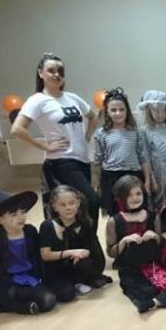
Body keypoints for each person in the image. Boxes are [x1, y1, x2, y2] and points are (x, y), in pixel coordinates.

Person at [11, 53, 100, 230]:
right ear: (41, 73)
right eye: (51, 70)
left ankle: (83, 241)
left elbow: (93, 117)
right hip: (61, 161)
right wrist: (45, 145)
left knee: (80, 207)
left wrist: (86, 137)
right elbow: (17, 129)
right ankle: (87, 240)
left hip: (82, 160)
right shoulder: (38, 100)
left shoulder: (72, 98)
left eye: (60, 71)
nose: (56, 74)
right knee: (91, 200)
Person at [0, 181, 56, 314]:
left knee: (48, 300)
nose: (21, 217)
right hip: (5, 283)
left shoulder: (30, 231)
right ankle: (21, 307)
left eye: (22, 212)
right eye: (13, 215)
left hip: (29, 280)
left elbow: (39, 257)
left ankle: (14, 304)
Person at [105, 175, 165, 313]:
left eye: (138, 193)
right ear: (121, 197)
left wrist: (155, 236)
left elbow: (161, 244)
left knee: (164, 288)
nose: (135, 198)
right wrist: (124, 241)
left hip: (152, 266)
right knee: (143, 293)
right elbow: (111, 252)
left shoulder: (152, 215)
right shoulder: (114, 221)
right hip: (129, 269)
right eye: (129, 195)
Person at [39, 185, 108, 299]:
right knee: (67, 295)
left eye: (71, 203)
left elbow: (96, 254)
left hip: (76, 266)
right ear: (54, 207)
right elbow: (45, 255)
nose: (68, 208)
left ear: (78, 203)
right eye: (62, 205)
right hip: (56, 268)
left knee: (87, 265)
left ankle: (78, 281)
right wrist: (71, 252)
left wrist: (85, 253)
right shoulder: (47, 226)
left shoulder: (85, 224)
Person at [93, 87, 151, 215]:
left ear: (127, 111)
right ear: (107, 112)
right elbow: (98, 161)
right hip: (111, 176)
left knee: (137, 211)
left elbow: (143, 157)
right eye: (113, 110)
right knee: (116, 213)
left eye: (121, 109)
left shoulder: (136, 131)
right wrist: (98, 184)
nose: (118, 113)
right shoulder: (101, 133)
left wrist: (147, 180)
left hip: (133, 175)